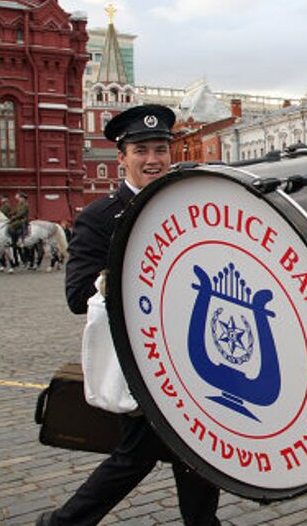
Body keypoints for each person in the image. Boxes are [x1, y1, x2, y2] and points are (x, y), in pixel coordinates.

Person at [37, 105, 221, 526]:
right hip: (142, 359)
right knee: (146, 452)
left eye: (161, 149)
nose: (153, 159)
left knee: (188, 449)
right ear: (122, 157)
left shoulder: (187, 206)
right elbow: (78, 293)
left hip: (191, 354)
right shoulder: (102, 218)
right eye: (141, 150)